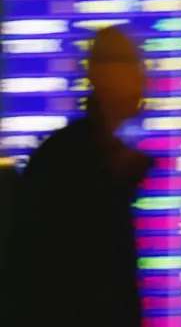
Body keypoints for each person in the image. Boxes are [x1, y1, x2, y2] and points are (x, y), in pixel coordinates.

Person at [6, 26, 153, 327]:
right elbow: (94, 289)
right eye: (133, 67)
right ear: (108, 78)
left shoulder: (76, 154)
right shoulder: (80, 164)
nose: (144, 81)